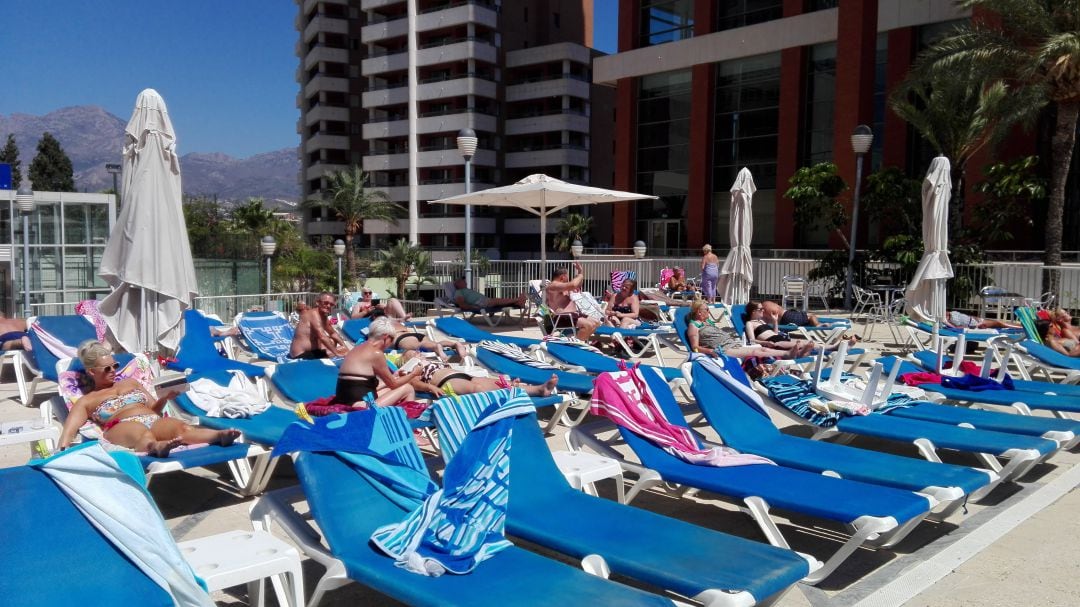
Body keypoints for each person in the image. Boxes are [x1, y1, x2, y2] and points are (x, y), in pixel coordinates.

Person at [58, 341, 240, 457]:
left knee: (183, 428)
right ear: (91, 372)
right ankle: (154, 447)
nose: (113, 370)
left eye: (115, 365)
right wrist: (61, 451)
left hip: (152, 419)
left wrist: (166, 398)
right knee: (144, 435)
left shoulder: (130, 383)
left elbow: (155, 409)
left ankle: (218, 436)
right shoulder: (87, 401)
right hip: (120, 427)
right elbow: (69, 431)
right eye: (107, 369)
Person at [398, 350, 559, 398]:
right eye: (412, 354)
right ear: (406, 360)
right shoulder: (410, 369)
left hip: (459, 374)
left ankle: (540, 390)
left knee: (499, 383)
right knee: (477, 389)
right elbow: (414, 383)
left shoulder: (430, 361)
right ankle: (504, 401)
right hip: (446, 381)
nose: (417, 354)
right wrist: (428, 388)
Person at [334, 317, 419, 406]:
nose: (390, 344)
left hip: (345, 400)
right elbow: (394, 385)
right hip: (361, 404)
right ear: (385, 337)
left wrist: (394, 376)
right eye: (392, 339)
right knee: (408, 389)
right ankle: (406, 418)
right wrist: (414, 374)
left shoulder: (356, 349)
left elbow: (360, 384)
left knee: (390, 390)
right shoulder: (376, 353)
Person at [685, 300, 795, 359]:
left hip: (733, 344)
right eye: (707, 309)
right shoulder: (693, 326)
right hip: (723, 350)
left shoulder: (708, 322)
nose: (709, 311)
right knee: (757, 351)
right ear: (699, 312)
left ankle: (789, 353)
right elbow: (695, 347)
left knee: (760, 349)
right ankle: (787, 354)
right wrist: (709, 351)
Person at [743, 301, 855, 357]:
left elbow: (775, 332)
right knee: (802, 343)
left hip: (778, 338)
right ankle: (834, 348)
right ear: (754, 312)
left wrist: (775, 321)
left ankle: (834, 347)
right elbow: (751, 341)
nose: (763, 310)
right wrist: (765, 342)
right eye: (761, 309)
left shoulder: (762, 322)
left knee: (808, 342)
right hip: (774, 342)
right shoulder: (750, 324)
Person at [544, 261, 602, 341]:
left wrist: (580, 271)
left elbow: (577, 285)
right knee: (588, 325)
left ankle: (580, 341)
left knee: (596, 323)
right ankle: (575, 345)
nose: (568, 278)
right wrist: (580, 275)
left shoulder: (561, 287)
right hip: (562, 317)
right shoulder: (553, 286)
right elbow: (573, 285)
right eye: (567, 276)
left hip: (572, 315)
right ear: (563, 277)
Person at [290, 292, 350, 359]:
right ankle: (330, 356)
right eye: (326, 303)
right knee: (343, 351)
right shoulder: (314, 314)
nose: (328, 306)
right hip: (301, 355)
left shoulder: (323, 316)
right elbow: (322, 336)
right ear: (317, 303)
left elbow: (333, 333)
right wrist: (336, 353)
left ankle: (331, 354)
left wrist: (345, 346)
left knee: (337, 343)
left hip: (314, 351)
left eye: (331, 304)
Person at [388, 318, 468, 362]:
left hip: (402, 338)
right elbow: (403, 320)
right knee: (430, 343)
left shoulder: (382, 325)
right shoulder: (394, 321)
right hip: (415, 334)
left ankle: (436, 347)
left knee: (419, 345)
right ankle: (454, 344)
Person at [451, 276, 527, 310]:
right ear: (458, 284)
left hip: (483, 301)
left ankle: (518, 302)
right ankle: (517, 300)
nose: (465, 281)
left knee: (497, 301)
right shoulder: (459, 292)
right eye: (462, 281)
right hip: (479, 303)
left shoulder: (465, 290)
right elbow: (462, 304)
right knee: (496, 300)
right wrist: (473, 307)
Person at [761, 300, 827, 328]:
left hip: (783, 319)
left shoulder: (765, 305)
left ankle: (817, 324)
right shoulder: (767, 304)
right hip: (787, 316)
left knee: (809, 316)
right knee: (811, 316)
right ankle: (818, 325)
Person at [945, 310, 1021, 330]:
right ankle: (1021, 327)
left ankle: (1021, 326)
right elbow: (958, 328)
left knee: (999, 323)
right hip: (977, 325)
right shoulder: (947, 321)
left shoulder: (950, 314)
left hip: (977, 320)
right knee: (999, 323)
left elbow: (966, 317)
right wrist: (973, 327)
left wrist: (977, 318)